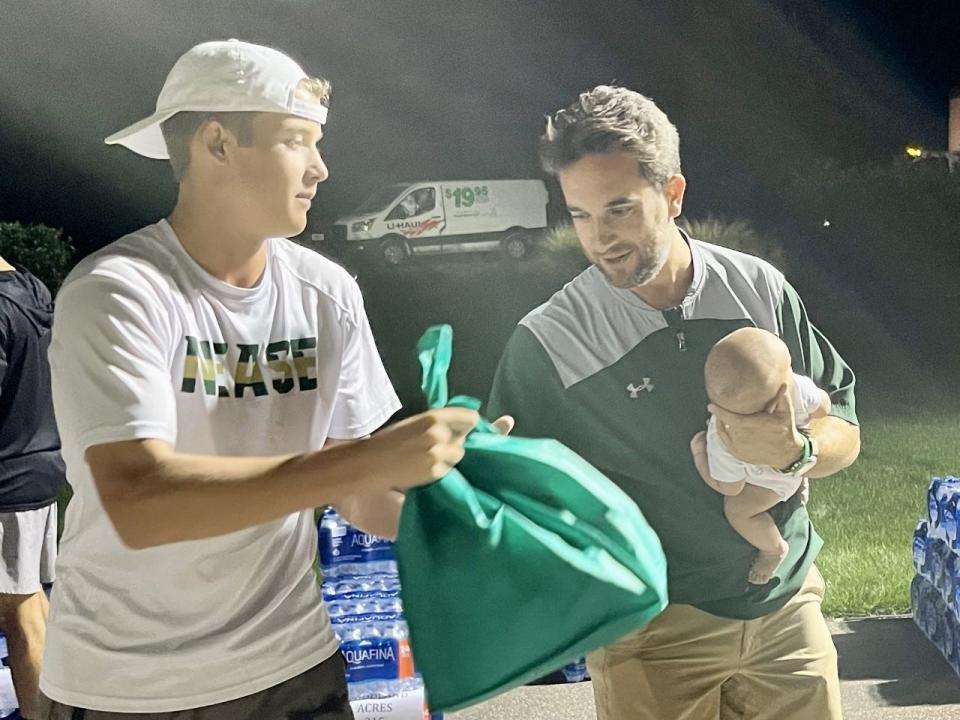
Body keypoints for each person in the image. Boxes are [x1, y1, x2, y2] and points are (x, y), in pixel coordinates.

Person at [38, 39, 490, 719]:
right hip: (127, 689)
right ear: (216, 144)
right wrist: (374, 457)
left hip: (294, 670)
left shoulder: (325, 291)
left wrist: (479, 516)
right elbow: (139, 500)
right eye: (297, 141)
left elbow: (356, 493)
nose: (321, 168)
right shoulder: (116, 291)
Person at [487, 85, 860, 720]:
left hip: (786, 607)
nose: (600, 238)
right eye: (580, 215)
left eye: (620, 210)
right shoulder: (549, 340)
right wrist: (482, 478)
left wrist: (799, 450)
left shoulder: (759, 288)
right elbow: (515, 503)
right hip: (649, 631)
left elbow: (844, 427)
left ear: (674, 194)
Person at [691, 326, 832, 585]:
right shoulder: (797, 388)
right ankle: (800, 476)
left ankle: (772, 548)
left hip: (766, 485)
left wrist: (700, 455)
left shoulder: (723, 435)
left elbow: (731, 487)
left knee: (738, 510)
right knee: (799, 442)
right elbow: (824, 407)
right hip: (796, 458)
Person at [0, 256, 65, 720]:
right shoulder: (31, 287)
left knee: (20, 617)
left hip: (6, 482)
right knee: (35, 604)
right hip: (41, 467)